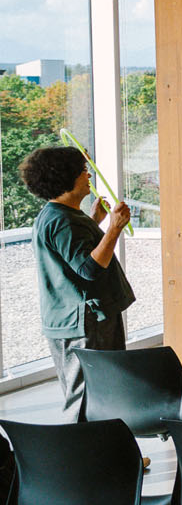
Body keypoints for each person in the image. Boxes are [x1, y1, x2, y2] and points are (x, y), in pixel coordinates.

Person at [21, 144, 133, 420]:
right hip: (82, 322)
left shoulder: (60, 215)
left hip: (83, 319)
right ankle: (81, 461)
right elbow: (89, 268)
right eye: (84, 170)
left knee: (104, 392)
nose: (89, 176)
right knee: (86, 397)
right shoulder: (62, 221)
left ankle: (112, 457)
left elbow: (74, 254)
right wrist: (114, 229)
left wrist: (95, 222)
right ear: (66, 177)